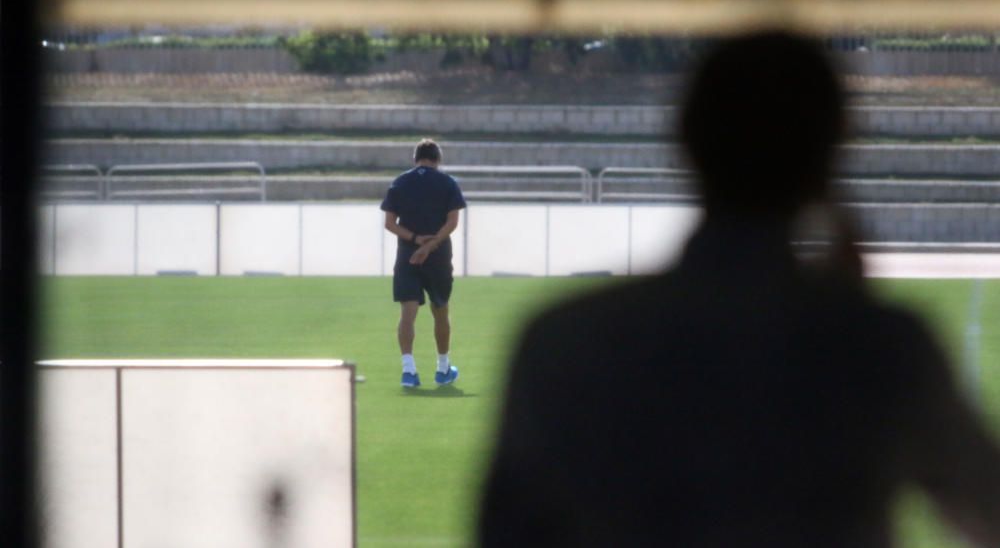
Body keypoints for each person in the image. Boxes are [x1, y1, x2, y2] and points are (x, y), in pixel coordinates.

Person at [479, 30, 1000, 546]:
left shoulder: (564, 342)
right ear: (832, 152)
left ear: (685, 138)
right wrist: (856, 325)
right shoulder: (886, 348)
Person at [381, 138, 466, 388]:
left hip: (408, 254)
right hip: (438, 256)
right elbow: (452, 222)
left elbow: (389, 223)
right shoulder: (448, 182)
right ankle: (443, 368)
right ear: (437, 159)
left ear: (415, 158)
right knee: (440, 309)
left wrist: (417, 240)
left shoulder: (400, 182)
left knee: (408, 312)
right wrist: (430, 245)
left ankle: (409, 371)